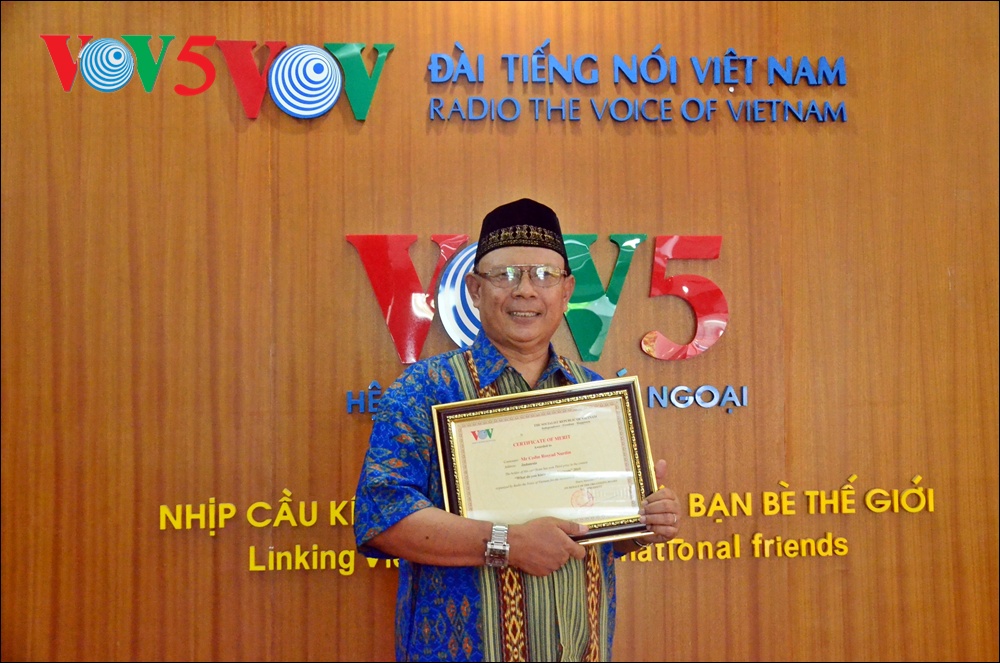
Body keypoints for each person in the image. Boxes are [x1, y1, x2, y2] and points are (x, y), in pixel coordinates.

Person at [353, 198, 681, 662]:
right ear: (475, 289)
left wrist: (642, 522)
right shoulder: (424, 389)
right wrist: (507, 544)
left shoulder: (593, 396)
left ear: (566, 291)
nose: (526, 291)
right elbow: (382, 517)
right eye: (505, 275)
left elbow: (595, 535)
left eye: (544, 276)